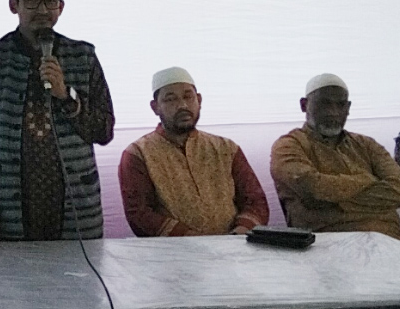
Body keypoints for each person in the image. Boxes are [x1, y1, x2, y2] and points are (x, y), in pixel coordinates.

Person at [0, 0, 115, 249]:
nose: (42, 10)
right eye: (31, 1)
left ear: (61, 8)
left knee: (78, 276)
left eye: (50, 1)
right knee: (11, 277)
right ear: (14, 5)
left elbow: (103, 131)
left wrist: (66, 95)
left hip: (75, 206)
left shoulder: (83, 56)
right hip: (10, 206)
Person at [118, 67, 269, 236]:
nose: (182, 105)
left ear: (199, 100)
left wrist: (238, 234)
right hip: (174, 251)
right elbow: (139, 214)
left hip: (234, 247)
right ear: (155, 107)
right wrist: (192, 240)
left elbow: (256, 201)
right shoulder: (138, 154)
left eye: (188, 97)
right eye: (170, 99)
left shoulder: (226, 148)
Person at [271, 74, 400, 239]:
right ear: (304, 105)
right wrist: (368, 180)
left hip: (389, 239)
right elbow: (314, 189)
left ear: (348, 107)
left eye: (341, 105)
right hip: (325, 243)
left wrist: (335, 201)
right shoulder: (288, 146)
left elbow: (398, 187)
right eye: (324, 104)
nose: (333, 113)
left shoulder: (367, 144)